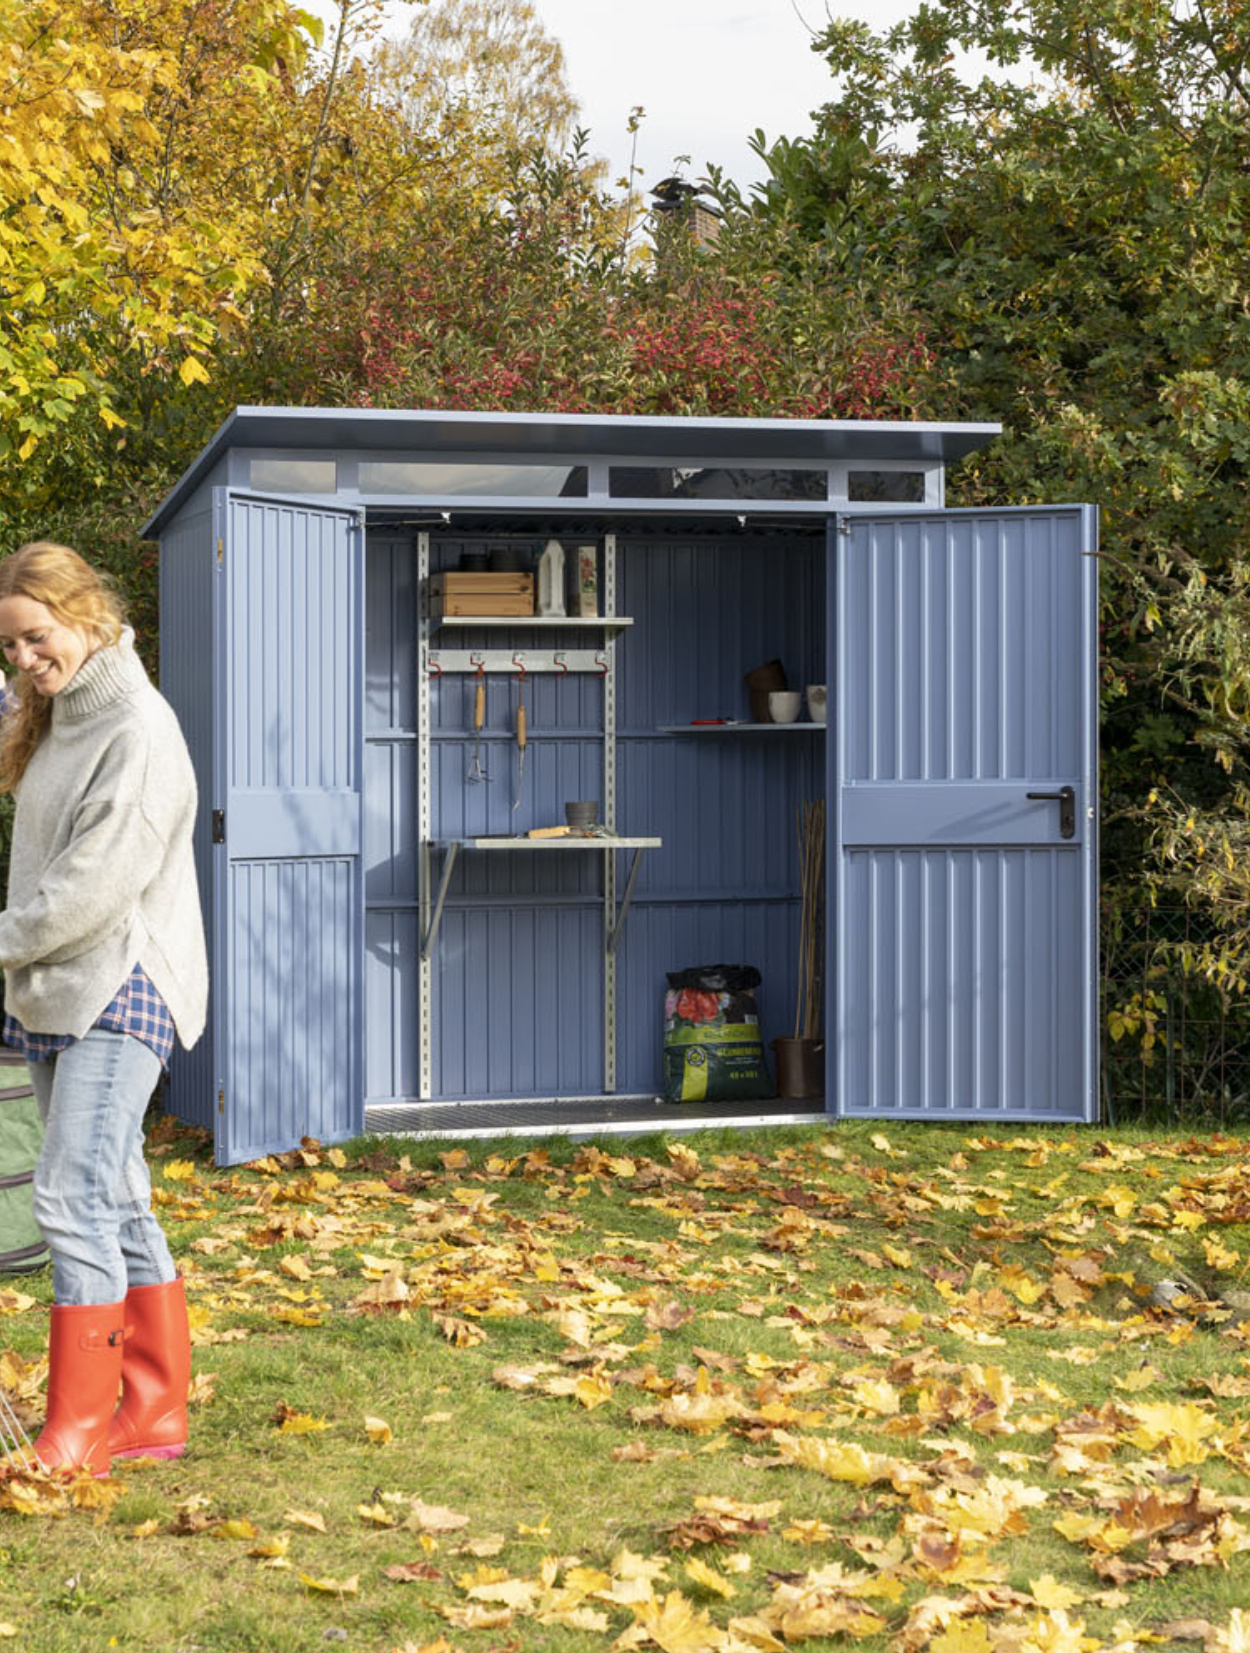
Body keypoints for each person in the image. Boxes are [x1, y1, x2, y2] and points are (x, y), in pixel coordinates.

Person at [0, 542, 207, 1475]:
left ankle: (78, 1426)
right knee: (115, 1193)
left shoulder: (139, 728)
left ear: (82, 613)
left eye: (35, 638)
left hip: (122, 980)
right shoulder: (59, 714)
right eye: (8, 648)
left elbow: (89, 890)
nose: (24, 661)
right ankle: (153, 1409)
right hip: (60, 982)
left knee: (70, 1192)